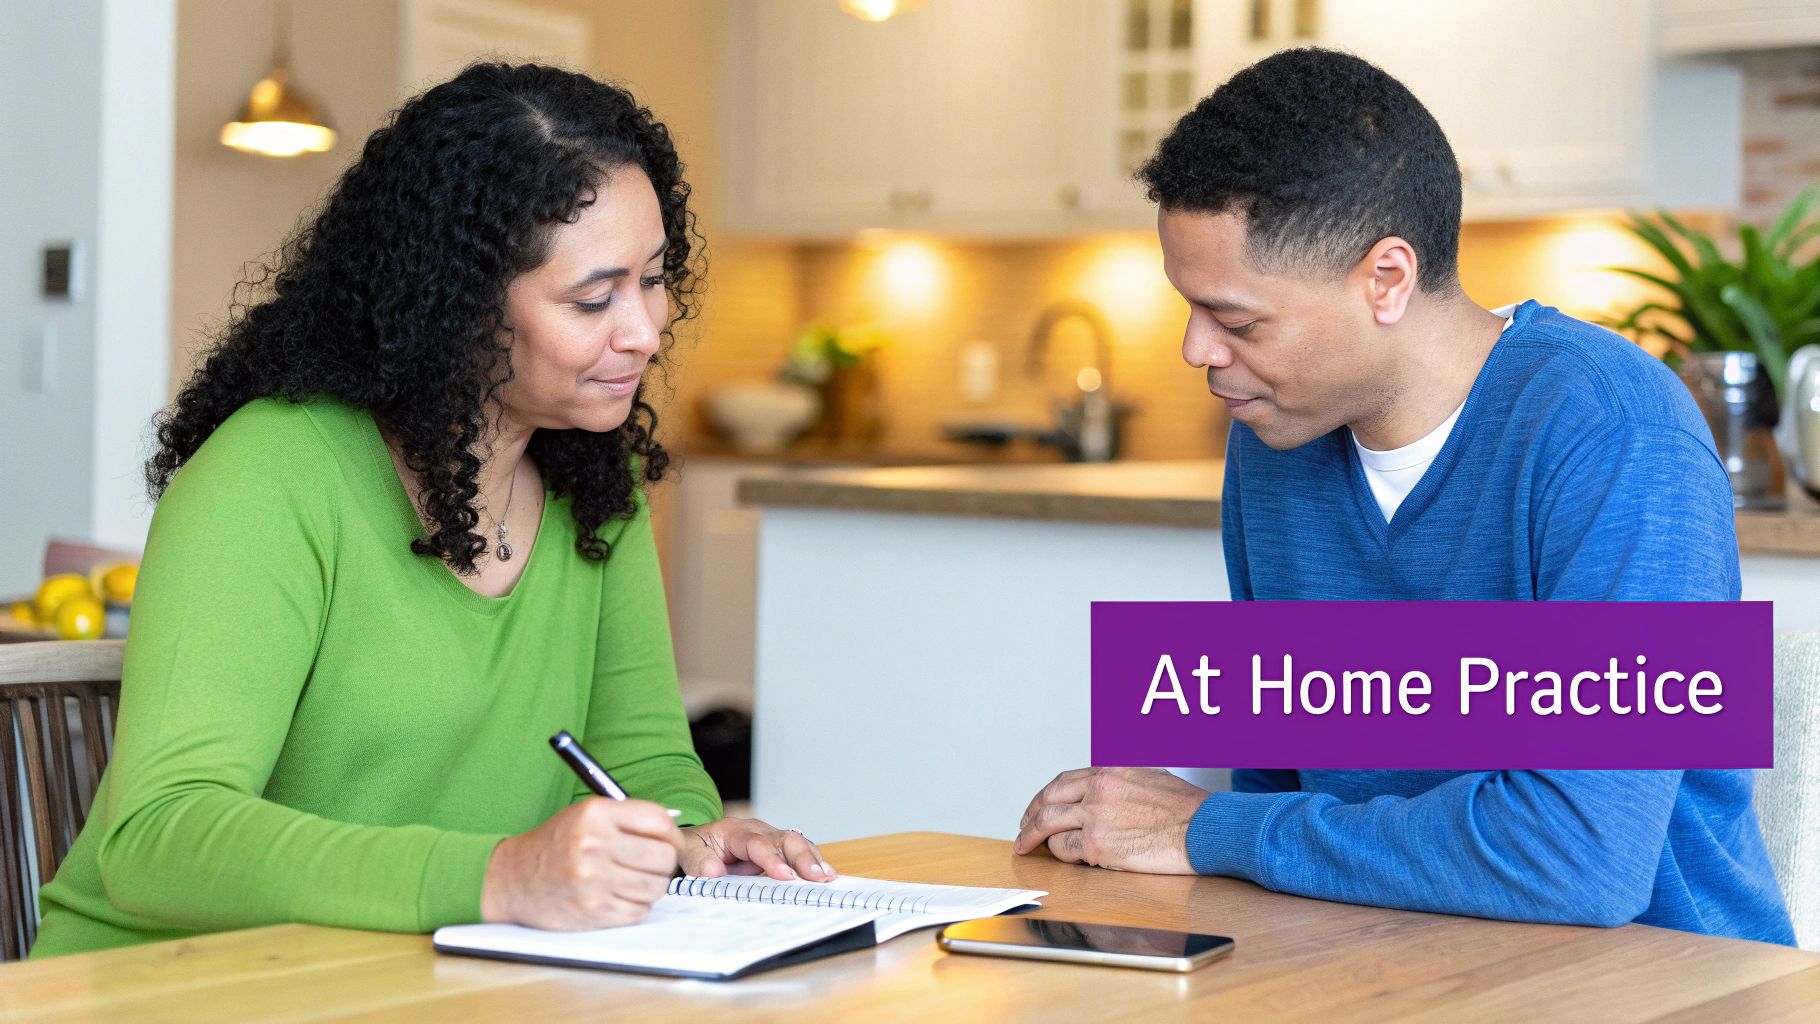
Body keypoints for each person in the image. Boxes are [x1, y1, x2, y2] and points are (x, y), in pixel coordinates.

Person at [31, 63, 833, 958]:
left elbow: (639, 762)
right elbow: (161, 839)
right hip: (167, 988)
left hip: (422, 978)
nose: (645, 328)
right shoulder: (270, 475)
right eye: (593, 296)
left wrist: (689, 836)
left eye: (652, 278)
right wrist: (497, 876)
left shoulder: (594, 489)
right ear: (458, 307)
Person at [1013, 48, 1794, 945]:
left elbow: (1582, 857)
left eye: (1236, 320)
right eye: (1189, 309)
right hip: (1393, 952)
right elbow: (1281, 788)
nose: (1197, 351)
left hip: (1664, 977)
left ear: (1386, 278)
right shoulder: (1276, 438)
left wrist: (1204, 826)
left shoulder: (1613, 433)